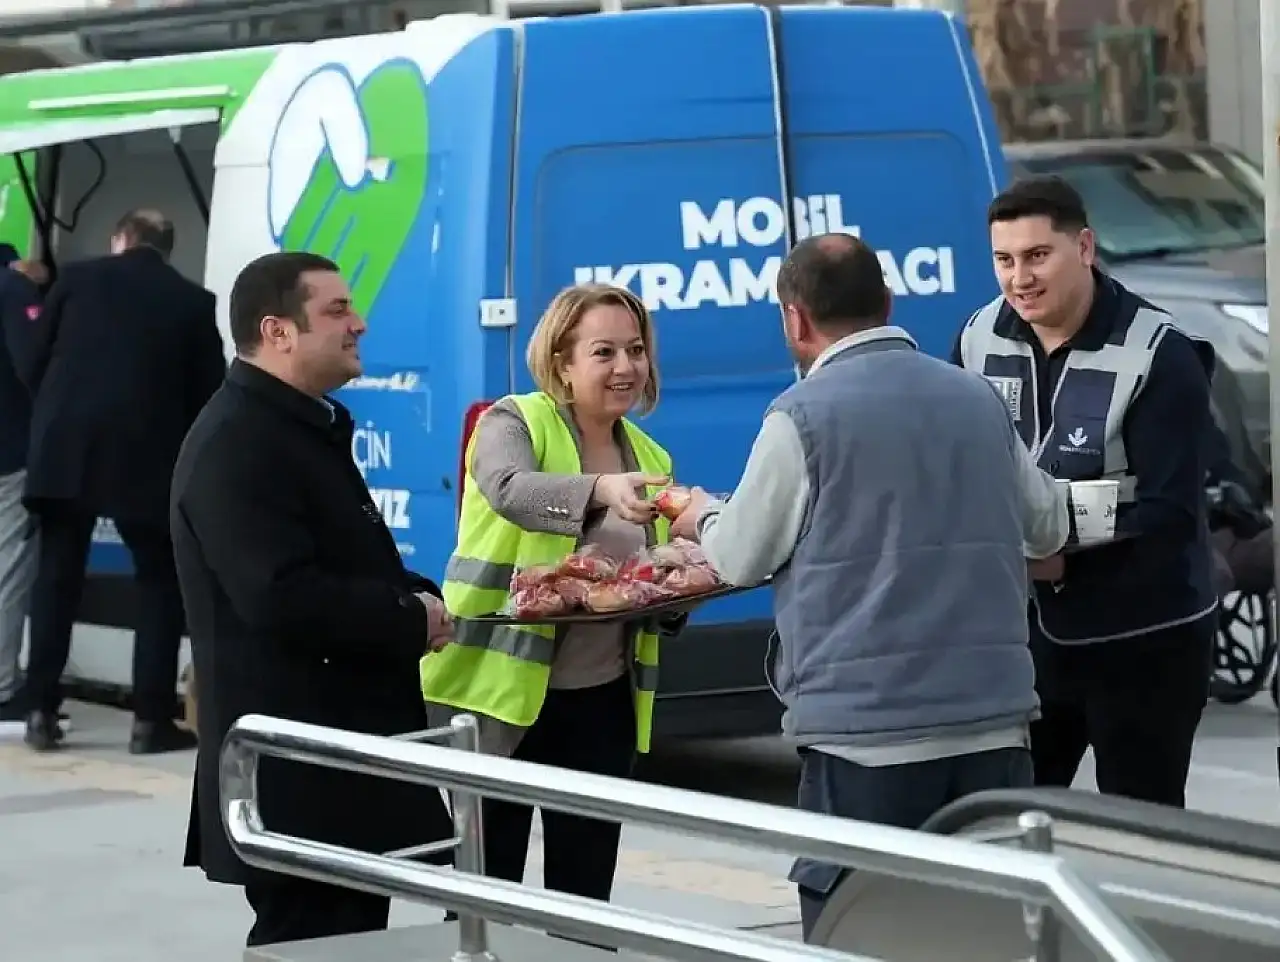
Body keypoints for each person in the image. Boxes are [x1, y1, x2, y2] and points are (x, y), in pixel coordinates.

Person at [668, 233, 1071, 940]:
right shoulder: (976, 399)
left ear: (795, 320)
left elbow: (737, 555)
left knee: (862, 934)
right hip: (992, 725)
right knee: (985, 937)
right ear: (887, 302)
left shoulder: (802, 416)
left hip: (866, 741)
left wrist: (699, 512)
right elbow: (1044, 528)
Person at [171, 251, 456, 948]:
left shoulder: (295, 425)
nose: (358, 323)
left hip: (336, 770)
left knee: (348, 939)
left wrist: (412, 593)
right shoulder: (237, 444)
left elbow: (335, 559)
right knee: (312, 939)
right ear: (277, 331)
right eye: (336, 311)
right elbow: (282, 597)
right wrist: (408, 618)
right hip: (300, 777)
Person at [951, 176, 1217, 809]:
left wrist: (1060, 561)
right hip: (1022, 646)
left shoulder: (1159, 354)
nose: (1021, 278)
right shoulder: (978, 336)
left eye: (1038, 255)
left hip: (1144, 642)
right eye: (1005, 260)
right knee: (1016, 825)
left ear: (1086, 248)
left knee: (1138, 834)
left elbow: (1171, 516)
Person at [424, 283, 677, 915]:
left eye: (636, 350)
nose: (626, 367)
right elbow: (511, 489)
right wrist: (598, 490)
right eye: (604, 352)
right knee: (484, 899)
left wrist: (680, 585)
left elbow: (646, 589)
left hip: (600, 702)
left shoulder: (650, 457)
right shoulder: (511, 422)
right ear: (561, 362)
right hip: (498, 697)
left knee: (586, 901)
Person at [16, 209, 226, 754]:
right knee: (159, 584)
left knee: (57, 577)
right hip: (149, 460)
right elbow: (209, 394)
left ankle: (40, 709)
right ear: (166, 247)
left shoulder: (77, 279)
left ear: (120, 239)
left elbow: (34, 360)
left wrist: (58, 414)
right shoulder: (192, 301)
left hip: (67, 450)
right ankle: (149, 721)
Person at [0, 244, 44, 721]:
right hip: (7, 448)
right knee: (8, 567)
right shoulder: (12, 288)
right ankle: (3, 687)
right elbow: (32, 362)